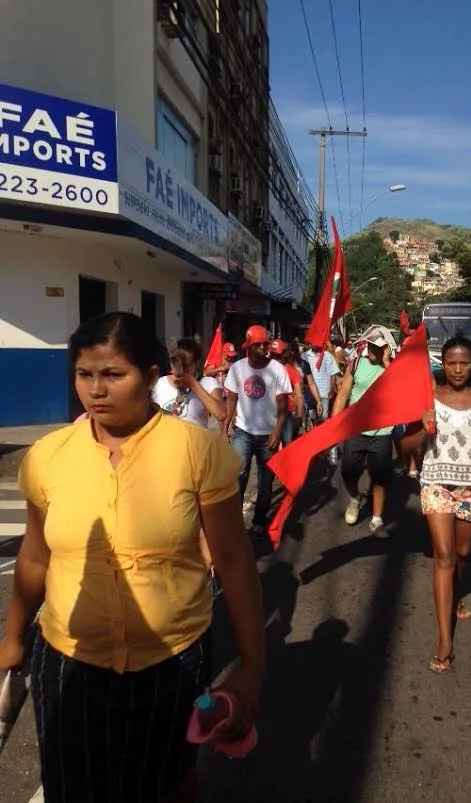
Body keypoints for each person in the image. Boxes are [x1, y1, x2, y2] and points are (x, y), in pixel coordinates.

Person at [0, 312, 264, 803]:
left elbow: (233, 560)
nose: (96, 390)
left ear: (151, 375)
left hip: (173, 660)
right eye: (85, 374)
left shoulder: (197, 451)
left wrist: (252, 664)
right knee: (71, 786)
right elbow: (35, 558)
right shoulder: (48, 456)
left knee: (168, 782)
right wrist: (14, 636)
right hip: (68, 660)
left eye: (113, 375)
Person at [416, 336, 471, 674]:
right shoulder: (429, 399)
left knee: (464, 553)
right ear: (443, 363)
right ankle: (444, 639)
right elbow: (407, 444)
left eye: (463, 363)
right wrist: (420, 426)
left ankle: (455, 594)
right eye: (451, 362)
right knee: (444, 555)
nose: (456, 369)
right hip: (436, 482)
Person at [224, 324, 291, 538]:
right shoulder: (237, 368)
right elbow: (232, 400)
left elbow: (283, 406)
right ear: (249, 347)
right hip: (242, 431)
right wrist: (224, 429)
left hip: (268, 435)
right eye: (259, 344)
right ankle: (234, 520)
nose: (265, 348)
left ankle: (259, 520)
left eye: (266, 343)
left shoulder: (277, 369)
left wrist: (277, 432)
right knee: (238, 476)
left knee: (265, 480)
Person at [331, 329, 393, 536]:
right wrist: (333, 426)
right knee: (348, 471)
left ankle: (377, 519)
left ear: (385, 348)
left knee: (380, 476)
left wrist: (387, 362)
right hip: (356, 429)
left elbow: (400, 388)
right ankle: (355, 499)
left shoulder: (391, 367)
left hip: (383, 431)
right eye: (371, 344)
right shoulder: (356, 364)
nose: (373, 349)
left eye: (378, 346)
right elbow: (343, 395)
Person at [153, 337, 225, 429]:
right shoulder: (160, 384)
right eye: (175, 362)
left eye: (185, 365)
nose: (179, 369)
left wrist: (193, 385)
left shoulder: (207, 383)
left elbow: (221, 414)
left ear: (196, 364)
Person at [269, 339, 304, 445]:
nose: (276, 359)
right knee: (271, 446)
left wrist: (300, 414)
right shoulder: (264, 369)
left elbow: (299, 395)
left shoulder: (293, 372)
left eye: (278, 356)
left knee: (287, 445)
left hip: (288, 413)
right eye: (273, 355)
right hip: (270, 413)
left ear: (284, 354)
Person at [303, 341, 340, 423]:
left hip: (324, 392)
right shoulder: (305, 356)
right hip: (310, 393)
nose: (314, 343)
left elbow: (333, 373)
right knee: (311, 417)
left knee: (323, 417)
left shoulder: (328, 356)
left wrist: (331, 389)